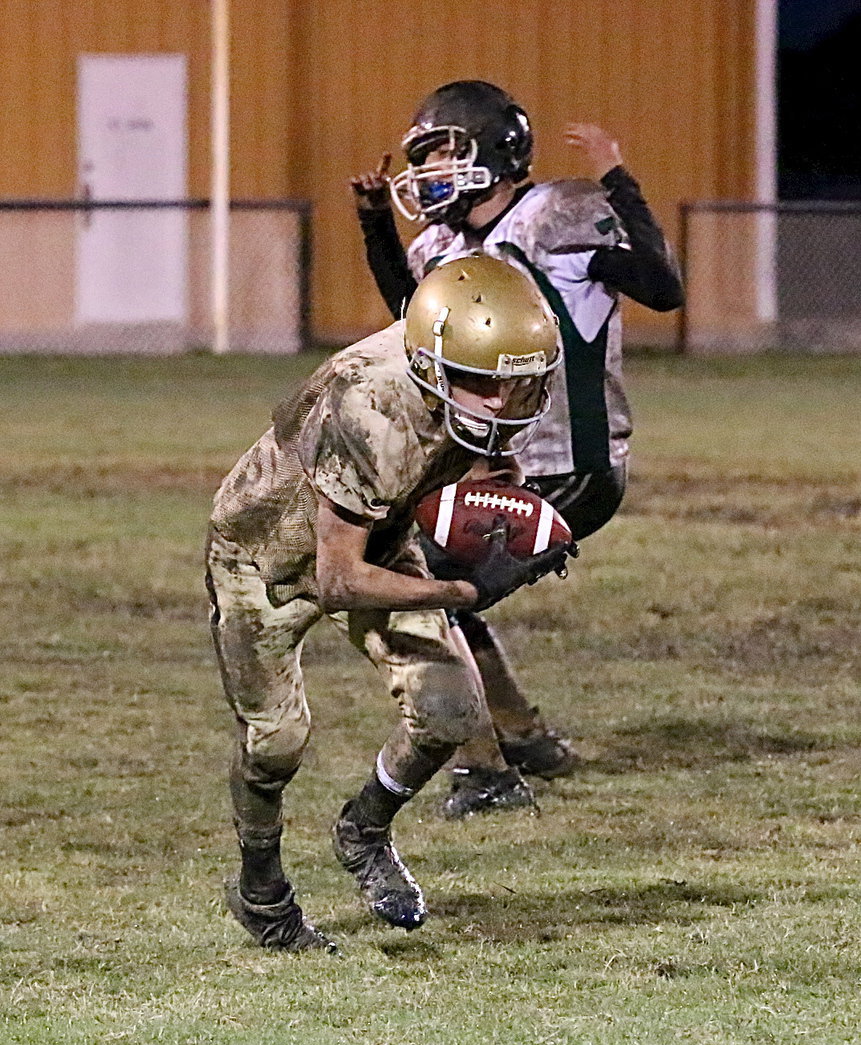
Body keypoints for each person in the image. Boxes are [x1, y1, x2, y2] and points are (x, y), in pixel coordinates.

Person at [206, 253, 570, 953]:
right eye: (484, 386)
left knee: (448, 715)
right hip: (265, 559)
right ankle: (261, 891)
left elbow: (491, 462)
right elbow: (336, 578)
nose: (505, 402)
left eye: (518, 383)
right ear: (435, 365)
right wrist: (465, 588)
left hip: (378, 533)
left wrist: (516, 518)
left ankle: (363, 831)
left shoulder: (483, 373)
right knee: (276, 742)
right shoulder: (366, 408)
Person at [351, 80, 684, 819]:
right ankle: (521, 737)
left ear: (495, 152)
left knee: (421, 592)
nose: (431, 169)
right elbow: (410, 316)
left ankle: (486, 771)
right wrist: (376, 224)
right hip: (498, 467)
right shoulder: (443, 244)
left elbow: (661, 288)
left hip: (570, 468)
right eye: (425, 155)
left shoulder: (555, 220)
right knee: (423, 581)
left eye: (445, 150)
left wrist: (617, 180)